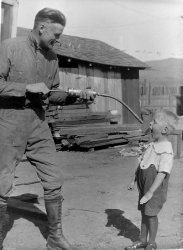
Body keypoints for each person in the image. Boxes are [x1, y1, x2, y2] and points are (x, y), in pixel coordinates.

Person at [0, 8, 95, 250]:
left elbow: (53, 94)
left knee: (54, 179)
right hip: (10, 122)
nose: (58, 39)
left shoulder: (52, 58)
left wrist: (77, 96)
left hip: (39, 124)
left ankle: (54, 237)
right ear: (42, 27)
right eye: (56, 33)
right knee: (2, 184)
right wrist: (25, 88)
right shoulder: (9, 47)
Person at [125, 108, 178, 250]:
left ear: (164, 129)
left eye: (154, 122)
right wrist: (134, 179)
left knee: (151, 215)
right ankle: (142, 240)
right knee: (144, 213)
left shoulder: (166, 150)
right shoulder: (152, 144)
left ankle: (152, 243)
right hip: (144, 185)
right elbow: (143, 162)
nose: (150, 125)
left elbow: (162, 173)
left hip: (154, 189)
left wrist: (150, 192)